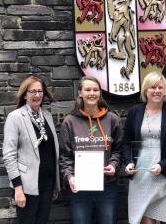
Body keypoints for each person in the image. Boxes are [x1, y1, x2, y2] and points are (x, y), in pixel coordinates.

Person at [123, 71, 166, 224]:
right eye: (153, 87)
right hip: (142, 177)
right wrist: (128, 162)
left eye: (161, 87)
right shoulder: (134, 112)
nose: (157, 91)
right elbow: (126, 143)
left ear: (165, 90)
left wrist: (163, 165)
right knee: (146, 221)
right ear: (146, 90)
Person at [59, 76, 122, 224]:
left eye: (95, 90)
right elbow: (64, 156)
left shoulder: (112, 119)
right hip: (79, 188)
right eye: (87, 90)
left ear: (100, 93)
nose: (92, 93)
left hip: (107, 186)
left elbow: (118, 150)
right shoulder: (69, 121)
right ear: (80, 93)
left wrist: (113, 165)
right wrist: (70, 177)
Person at [3, 75, 60, 224]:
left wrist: (55, 183)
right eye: (32, 91)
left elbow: (51, 151)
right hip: (26, 186)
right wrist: (18, 189)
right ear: (24, 95)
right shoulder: (15, 117)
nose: (37, 95)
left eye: (40, 91)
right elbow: (9, 156)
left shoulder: (46, 116)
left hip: (47, 184)